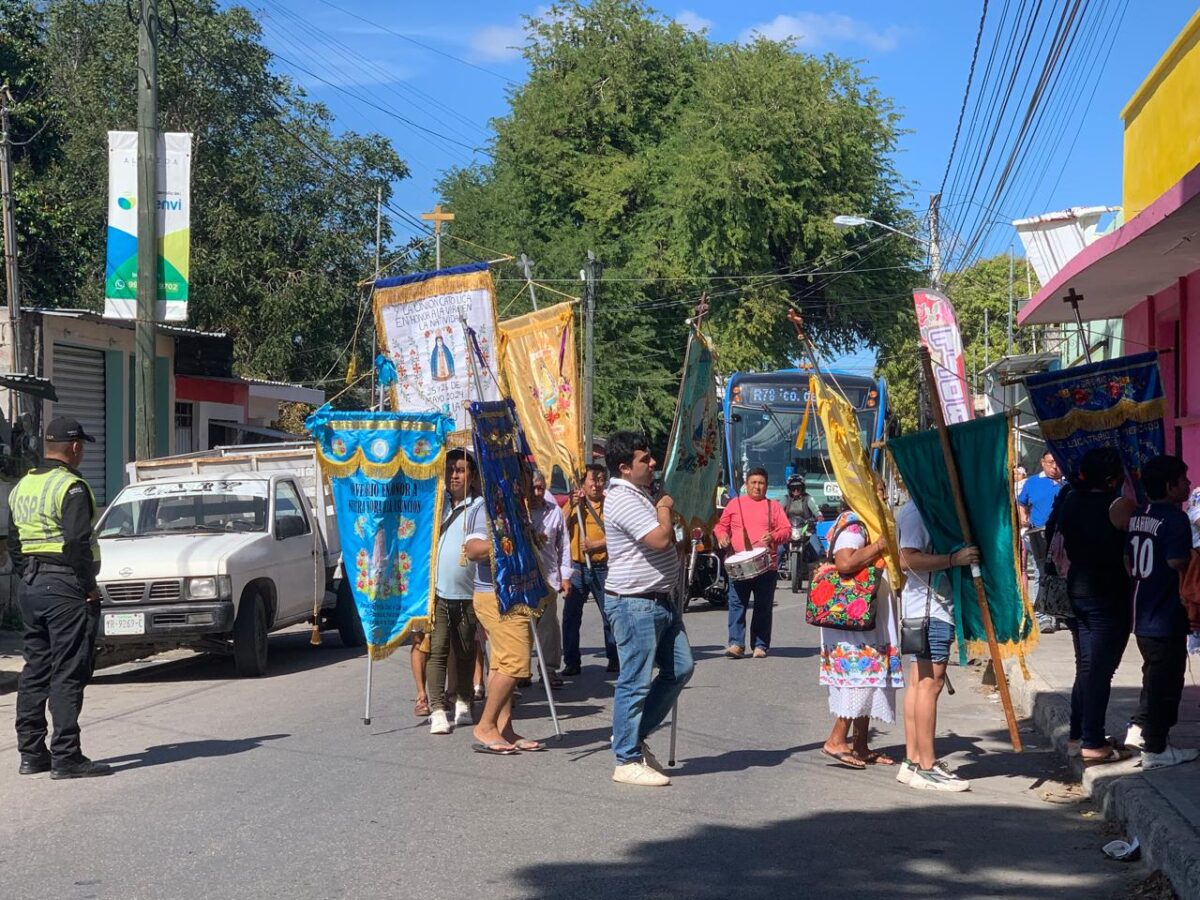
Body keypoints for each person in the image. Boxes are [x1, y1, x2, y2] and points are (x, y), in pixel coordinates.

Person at [10, 417, 110, 778]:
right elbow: (76, 542)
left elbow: (15, 542)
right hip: (65, 587)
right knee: (68, 671)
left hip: (32, 588)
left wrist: (28, 577)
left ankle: (31, 754)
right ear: (75, 447)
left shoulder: (24, 485)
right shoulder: (72, 487)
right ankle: (67, 756)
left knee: (36, 669)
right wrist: (86, 586)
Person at [604, 431, 694, 787]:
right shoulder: (623, 498)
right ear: (625, 468)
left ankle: (632, 738)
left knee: (681, 668)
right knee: (635, 681)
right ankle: (625, 758)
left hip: (661, 599)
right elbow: (658, 539)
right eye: (645, 459)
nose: (653, 463)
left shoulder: (639, 494)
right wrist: (665, 507)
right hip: (634, 603)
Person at [1114, 455, 1199, 769]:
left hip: (1141, 610)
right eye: (1183, 480)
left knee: (1153, 676)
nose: (1188, 486)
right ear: (1169, 485)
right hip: (1165, 613)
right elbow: (1176, 562)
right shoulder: (1175, 519)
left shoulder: (1139, 515)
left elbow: (1127, 559)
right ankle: (1156, 747)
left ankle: (1140, 730)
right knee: (1167, 683)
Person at [893, 500, 980, 792]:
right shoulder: (919, 511)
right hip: (930, 610)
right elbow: (907, 559)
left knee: (919, 683)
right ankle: (927, 766)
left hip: (925, 609)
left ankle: (914, 760)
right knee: (930, 685)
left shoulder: (919, 509)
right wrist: (954, 559)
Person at [1052, 447, 1131, 764]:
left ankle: (1077, 735)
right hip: (1107, 595)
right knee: (1100, 671)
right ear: (1113, 478)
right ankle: (1093, 742)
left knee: (1087, 668)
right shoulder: (1119, 505)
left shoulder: (1070, 501)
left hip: (1078, 592)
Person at [818, 511, 902, 769]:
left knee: (871, 677)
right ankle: (836, 739)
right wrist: (879, 546)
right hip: (854, 620)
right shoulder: (855, 521)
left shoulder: (866, 520)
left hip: (866, 618)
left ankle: (861, 745)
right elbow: (845, 563)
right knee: (861, 678)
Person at [463, 493, 545, 755]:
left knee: (501, 662)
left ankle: (504, 727)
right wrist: (507, 540)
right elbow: (473, 549)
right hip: (497, 595)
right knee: (516, 662)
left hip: (517, 592)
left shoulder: (515, 504)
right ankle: (485, 725)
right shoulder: (484, 506)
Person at [427, 449, 482, 735]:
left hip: (470, 593)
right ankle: (437, 708)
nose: (455, 475)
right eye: (450, 470)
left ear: (471, 475)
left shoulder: (480, 506)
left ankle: (463, 700)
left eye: (461, 470)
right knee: (437, 650)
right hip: (438, 593)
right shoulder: (436, 505)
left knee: (465, 650)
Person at [714, 467, 790, 658]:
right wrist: (722, 536)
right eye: (753, 483)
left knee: (763, 606)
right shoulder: (734, 504)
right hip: (739, 566)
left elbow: (786, 530)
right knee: (737, 604)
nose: (757, 487)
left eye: (761, 483)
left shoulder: (774, 506)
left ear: (766, 486)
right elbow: (721, 526)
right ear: (746, 485)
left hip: (766, 566)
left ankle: (760, 645)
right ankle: (736, 644)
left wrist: (773, 536)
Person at [562, 464, 618, 676]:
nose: (596, 484)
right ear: (583, 483)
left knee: (609, 614)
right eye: (592, 480)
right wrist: (571, 504)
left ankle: (614, 657)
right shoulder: (577, 505)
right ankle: (571, 661)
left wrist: (598, 545)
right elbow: (559, 524)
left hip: (602, 567)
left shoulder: (610, 504)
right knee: (571, 616)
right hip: (577, 567)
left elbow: (618, 534)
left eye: (601, 479)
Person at [530, 470, 572, 687]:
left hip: (548, 578)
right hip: (521, 580)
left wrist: (565, 577)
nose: (537, 492)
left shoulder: (554, 511)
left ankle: (548, 670)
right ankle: (518, 672)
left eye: (540, 487)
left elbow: (563, 546)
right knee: (521, 628)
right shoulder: (516, 511)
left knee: (547, 627)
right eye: (533, 487)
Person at [1019, 451, 1065, 627]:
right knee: (1042, 572)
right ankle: (1042, 614)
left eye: (1057, 462)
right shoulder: (1033, 482)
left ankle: (1059, 611)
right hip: (1039, 535)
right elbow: (1021, 503)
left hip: (1063, 536)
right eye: (1051, 462)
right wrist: (1024, 519)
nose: (1054, 466)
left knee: (1061, 573)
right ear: (1042, 462)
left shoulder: (1067, 482)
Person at [778, 474, 822, 569]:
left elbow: (815, 509)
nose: (796, 490)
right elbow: (778, 510)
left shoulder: (808, 498)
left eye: (798, 487)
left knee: (818, 551)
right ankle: (774, 574)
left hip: (806, 529)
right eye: (793, 488)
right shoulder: (785, 499)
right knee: (779, 551)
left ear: (803, 488)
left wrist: (819, 516)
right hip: (788, 529)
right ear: (789, 489)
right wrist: (775, 518)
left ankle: (815, 573)